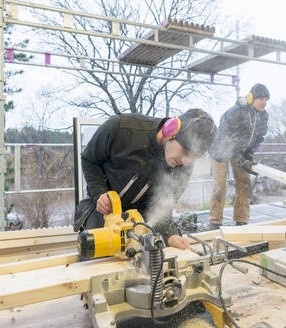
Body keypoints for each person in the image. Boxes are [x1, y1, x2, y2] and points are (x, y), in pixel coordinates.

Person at [73, 108, 217, 250]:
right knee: (91, 253)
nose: (186, 162)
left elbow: (163, 208)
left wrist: (169, 235)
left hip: (138, 221)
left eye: (193, 158)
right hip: (99, 210)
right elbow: (89, 160)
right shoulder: (121, 127)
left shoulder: (183, 164)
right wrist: (100, 193)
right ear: (170, 130)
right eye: (185, 151)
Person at [208, 83, 269, 226]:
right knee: (220, 186)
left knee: (244, 183)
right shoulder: (236, 112)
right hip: (220, 150)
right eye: (262, 99)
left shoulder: (263, 116)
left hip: (240, 152)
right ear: (251, 98)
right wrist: (239, 158)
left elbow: (259, 137)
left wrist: (248, 156)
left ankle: (241, 219)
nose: (264, 103)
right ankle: (215, 221)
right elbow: (226, 137)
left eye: (266, 100)